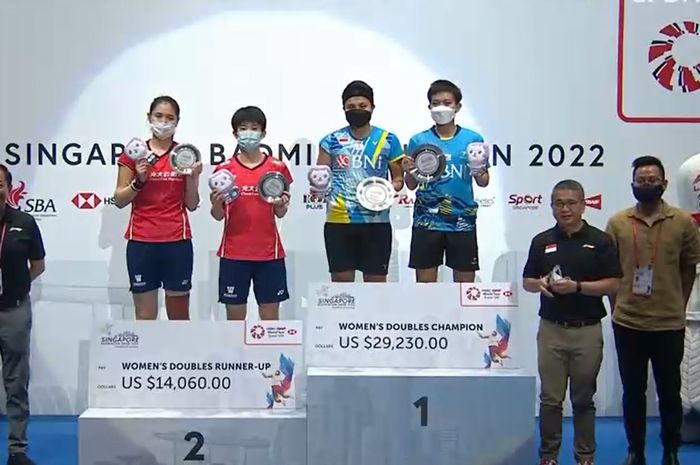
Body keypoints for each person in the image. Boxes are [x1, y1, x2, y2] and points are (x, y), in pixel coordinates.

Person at [606, 156, 700, 465]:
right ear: (632, 184)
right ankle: (636, 451)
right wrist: (616, 307)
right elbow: (610, 271)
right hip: (628, 321)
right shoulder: (618, 222)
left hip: (668, 322)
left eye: (652, 180)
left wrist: (677, 303)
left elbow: (689, 269)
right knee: (633, 393)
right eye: (640, 180)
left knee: (669, 392)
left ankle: (670, 450)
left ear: (664, 184)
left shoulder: (683, 222)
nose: (646, 184)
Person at [523, 179, 622, 465]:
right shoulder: (541, 241)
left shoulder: (600, 241)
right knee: (550, 400)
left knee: (583, 399)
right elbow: (527, 281)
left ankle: (585, 456)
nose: (564, 209)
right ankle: (549, 456)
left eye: (570, 203)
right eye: (558, 203)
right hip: (552, 330)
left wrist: (577, 287)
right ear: (551, 206)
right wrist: (539, 283)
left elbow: (614, 284)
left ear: (582, 204)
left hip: (587, 331)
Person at [113, 96, 202, 320]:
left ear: (177, 122)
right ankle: (147, 357)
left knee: (179, 317)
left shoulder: (184, 155)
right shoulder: (134, 154)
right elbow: (120, 199)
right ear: (149, 118)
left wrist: (192, 178)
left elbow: (192, 204)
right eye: (158, 116)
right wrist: (139, 180)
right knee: (145, 316)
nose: (163, 122)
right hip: (142, 241)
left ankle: (180, 357)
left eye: (169, 118)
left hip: (176, 241)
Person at [313, 80, 404, 282]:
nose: (357, 110)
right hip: (339, 221)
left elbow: (398, 179)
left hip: (376, 221)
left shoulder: (389, 140)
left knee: (375, 288)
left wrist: (386, 190)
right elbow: (321, 178)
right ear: (344, 109)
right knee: (342, 293)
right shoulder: (331, 141)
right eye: (351, 107)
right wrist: (317, 190)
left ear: (372, 107)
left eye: (362, 106)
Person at [402, 79, 489, 282]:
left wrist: (478, 169)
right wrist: (408, 171)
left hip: (463, 219)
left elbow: (483, 181)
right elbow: (411, 184)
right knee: (425, 285)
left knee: (464, 287)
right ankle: (427, 315)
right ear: (429, 107)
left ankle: (463, 316)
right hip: (427, 220)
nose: (441, 107)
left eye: (447, 102)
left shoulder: (473, 138)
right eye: (436, 103)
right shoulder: (418, 140)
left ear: (457, 106)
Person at [211, 106, 292, 320]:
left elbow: (280, 212)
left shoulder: (277, 168)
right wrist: (215, 203)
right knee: (235, 320)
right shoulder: (224, 170)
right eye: (243, 128)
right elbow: (218, 215)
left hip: (269, 254)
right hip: (233, 254)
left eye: (254, 128)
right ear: (235, 134)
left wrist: (282, 203)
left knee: (270, 319)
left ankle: (270, 355)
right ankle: (236, 354)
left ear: (263, 133)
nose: (249, 133)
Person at [0, 164, 46, 465]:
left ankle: (17, 450)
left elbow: (38, 264)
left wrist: (16, 286)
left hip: (13, 309)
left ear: (8, 188)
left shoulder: (24, 222)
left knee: (16, 382)